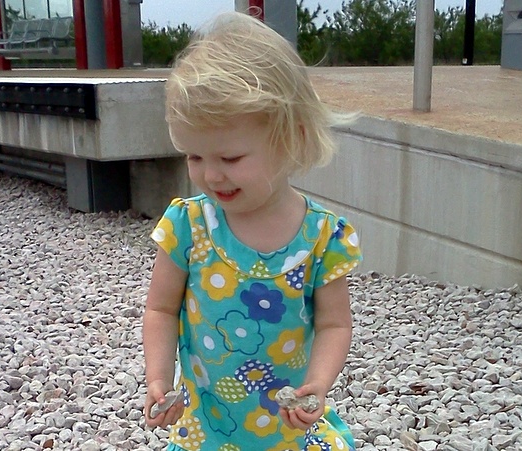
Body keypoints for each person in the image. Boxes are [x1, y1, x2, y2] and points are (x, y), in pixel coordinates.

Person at [142, 11, 362, 451]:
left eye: (231, 158)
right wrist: (158, 379)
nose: (210, 175)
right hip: (207, 427)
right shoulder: (188, 226)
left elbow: (335, 323)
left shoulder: (321, 237)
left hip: (289, 428)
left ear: (291, 138)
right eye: (194, 157)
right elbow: (161, 310)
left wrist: (317, 385)